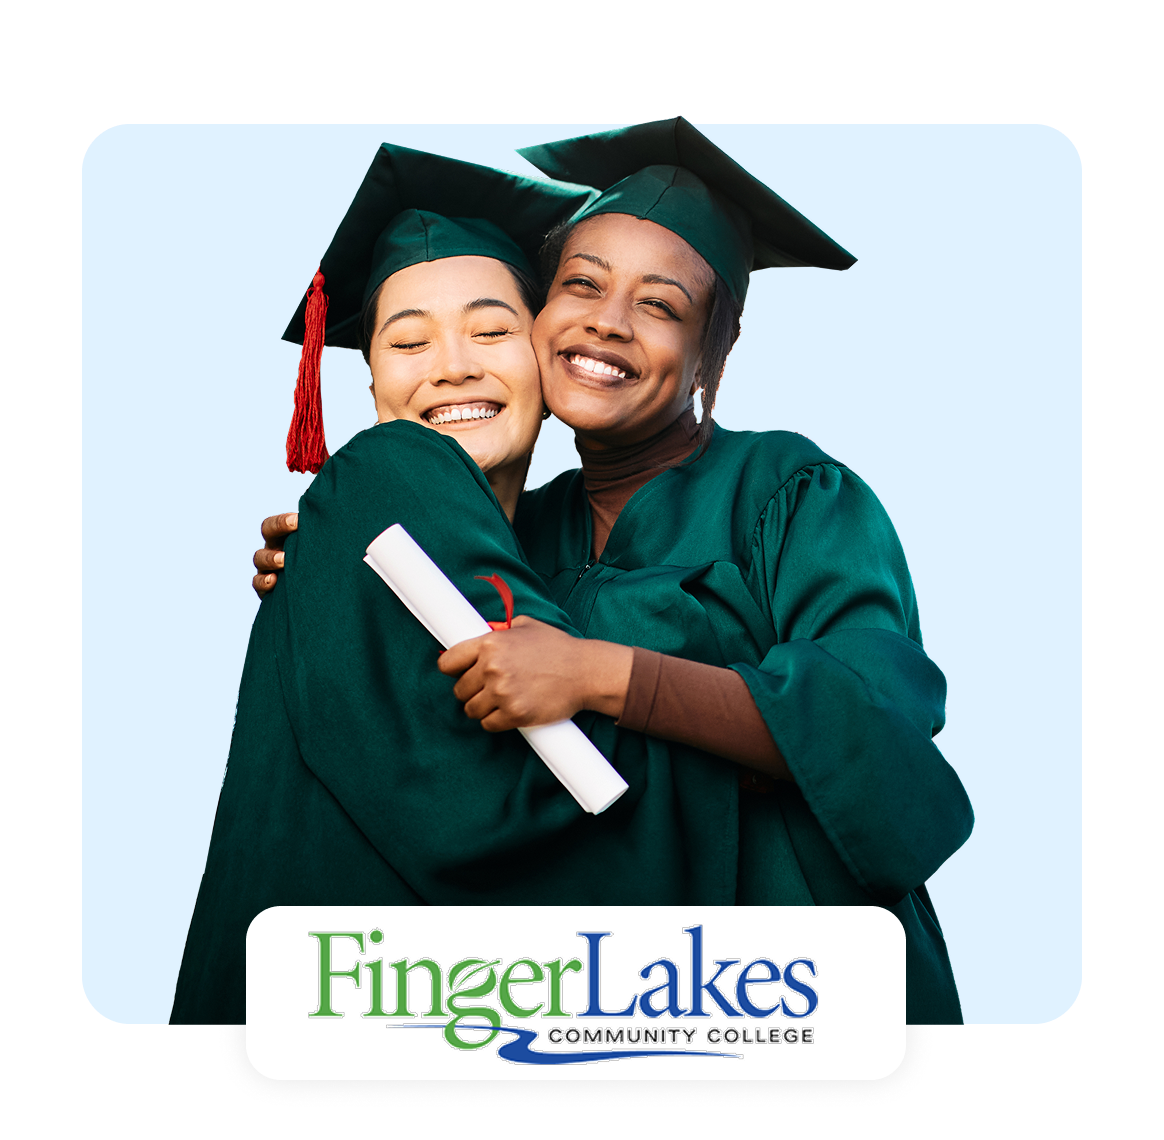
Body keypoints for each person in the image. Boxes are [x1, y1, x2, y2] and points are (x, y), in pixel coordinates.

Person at [250, 123, 975, 1024]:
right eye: (581, 285)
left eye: (662, 306)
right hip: (610, 998)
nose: (608, 320)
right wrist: (329, 571)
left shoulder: (792, 493)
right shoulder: (512, 532)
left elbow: (870, 730)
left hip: (801, 984)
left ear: (715, 350)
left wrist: (601, 675)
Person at [171, 145, 742, 1025]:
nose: (452, 367)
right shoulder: (393, 469)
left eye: (491, 330)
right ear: (369, 383)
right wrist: (700, 647)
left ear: (549, 366)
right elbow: (557, 805)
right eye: (407, 341)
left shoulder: (530, 548)